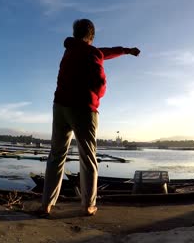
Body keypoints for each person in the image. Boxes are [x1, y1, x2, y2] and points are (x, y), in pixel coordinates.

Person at [41, 19, 140, 216]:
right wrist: (97, 96)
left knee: (57, 155)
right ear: (92, 36)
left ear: (76, 33)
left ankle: (46, 204)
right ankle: (88, 205)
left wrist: (126, 50)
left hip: (60, 106)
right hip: (84, 109)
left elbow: (105, 51)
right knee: (88, 158)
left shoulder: (70, 50)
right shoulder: (92, 53)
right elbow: (100, 81)